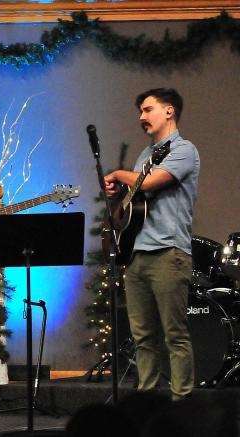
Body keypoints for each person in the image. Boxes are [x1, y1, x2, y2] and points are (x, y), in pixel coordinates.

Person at [105, 88, 199, 400]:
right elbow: (135, 204)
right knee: (142, 336)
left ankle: (181, 403)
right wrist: (119, 198)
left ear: (169, 111)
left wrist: (119, 173)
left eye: (147, 110)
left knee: (175, 334)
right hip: (137, 255)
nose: (141, 117)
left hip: (168, 253)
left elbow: (153, 182)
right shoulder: (145, 156)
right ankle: (146, 401)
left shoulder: (185, 150)